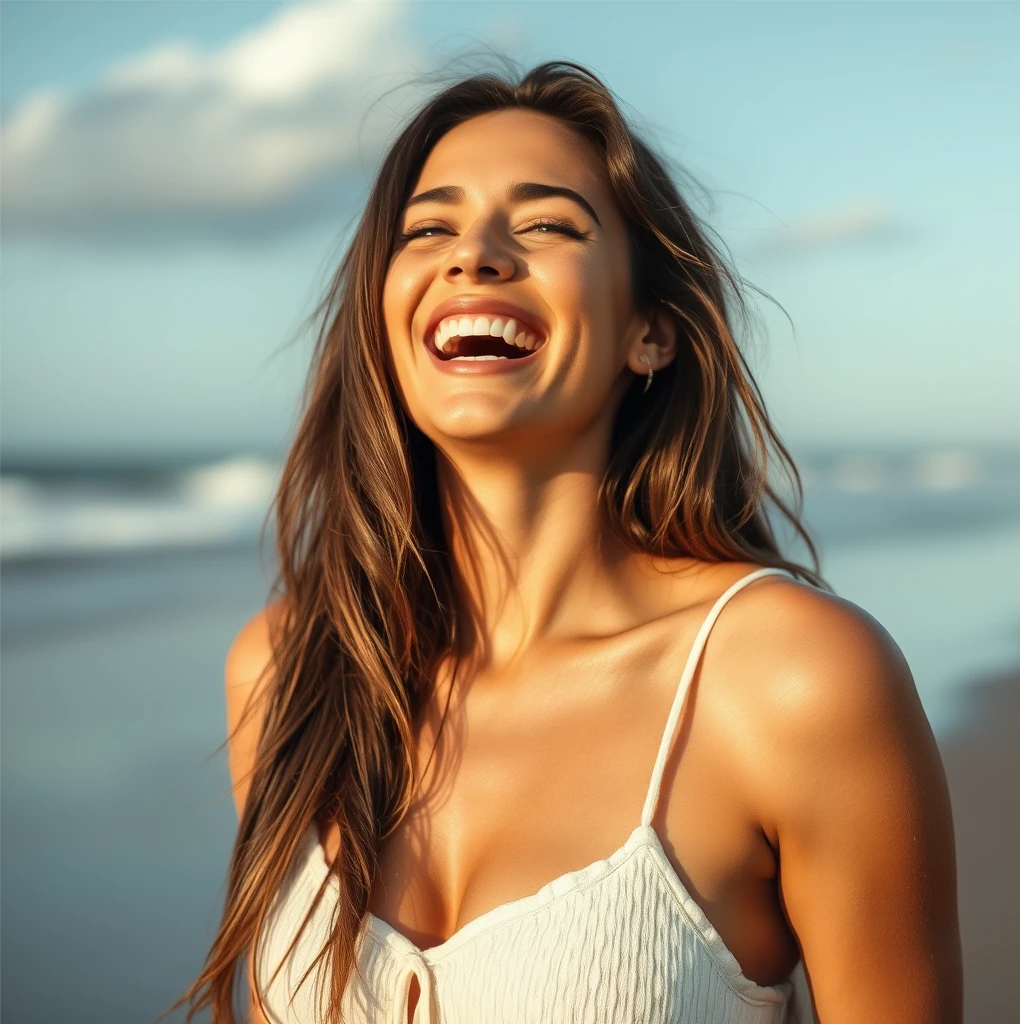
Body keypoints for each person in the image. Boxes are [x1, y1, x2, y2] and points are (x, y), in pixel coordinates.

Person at [174, 59, 962, 1024]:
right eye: (430, 228)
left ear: (651, 333)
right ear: (386, 317)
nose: (474, 256)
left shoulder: (792, 678)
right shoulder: (289, 670)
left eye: (547, 224)